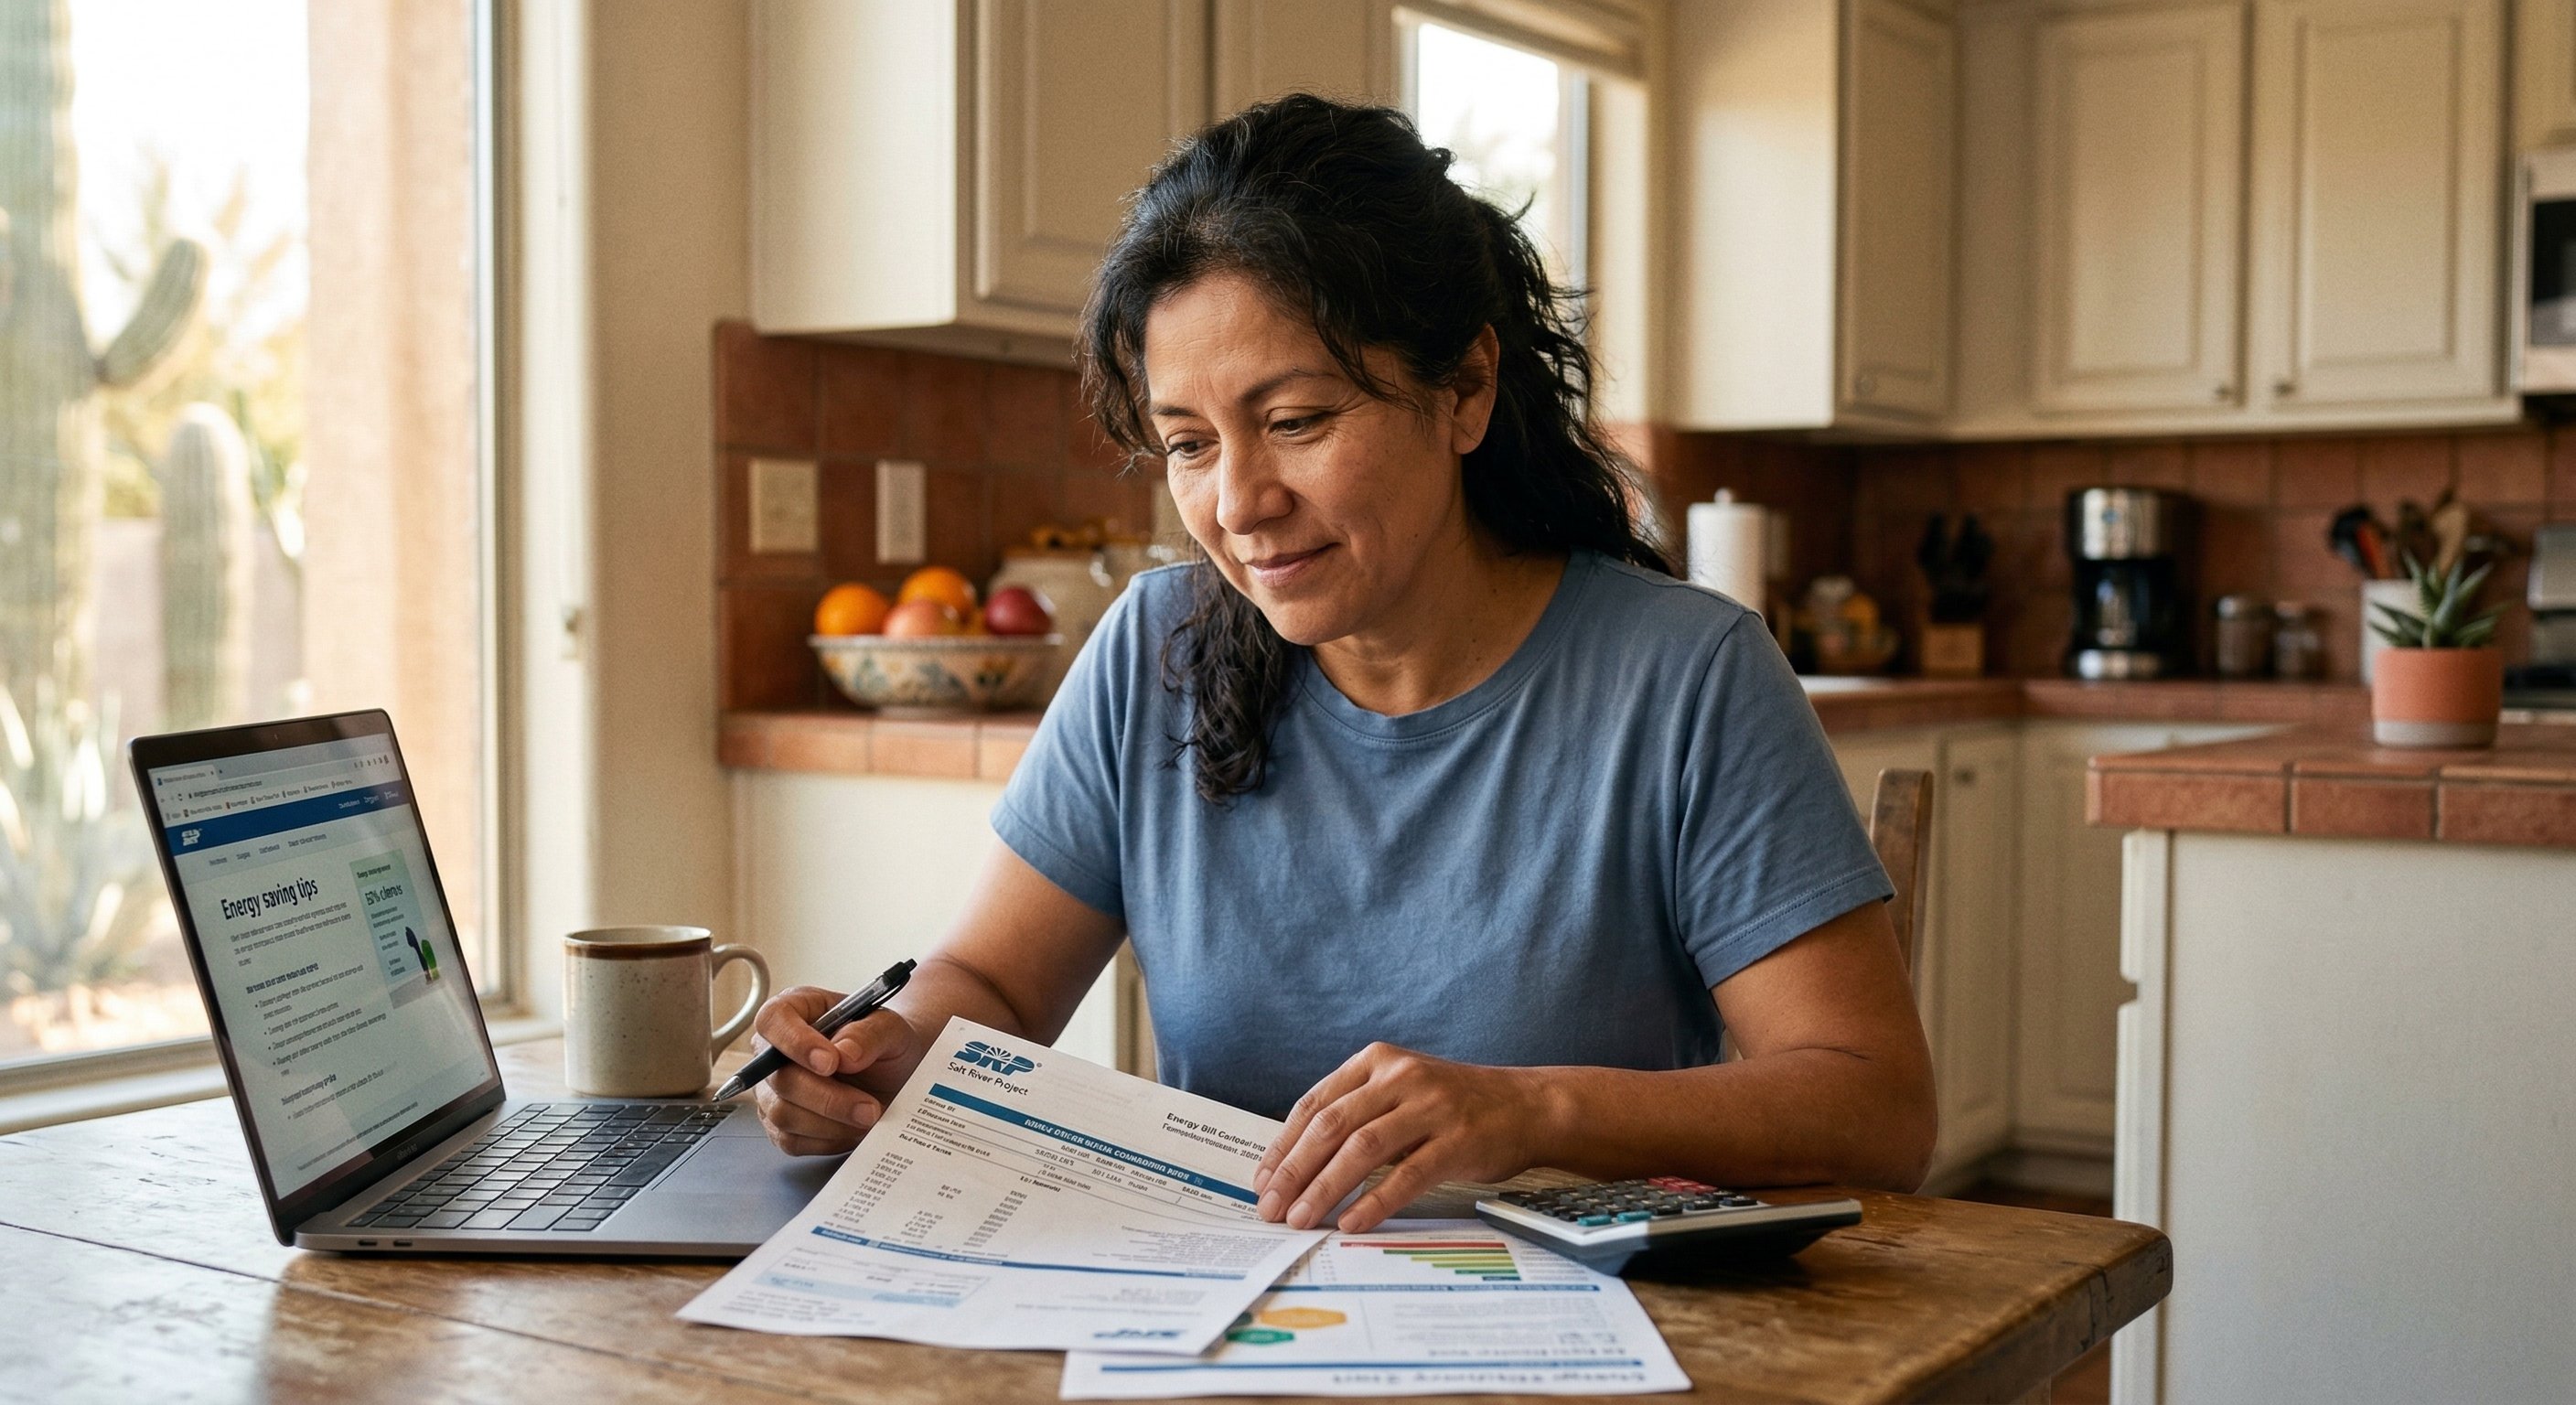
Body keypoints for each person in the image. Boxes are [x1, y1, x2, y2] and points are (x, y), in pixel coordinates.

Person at [749, 94, 1935, 1234]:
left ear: (1464, 388)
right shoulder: (1154, 654)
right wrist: (888, 1050)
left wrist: (1534, 1109)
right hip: (1221, 1316)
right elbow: (994, 989)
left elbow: (1875, 1106)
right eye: (1189, 444)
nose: (1240, 503)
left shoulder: (1686, 677)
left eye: (1299, 419)